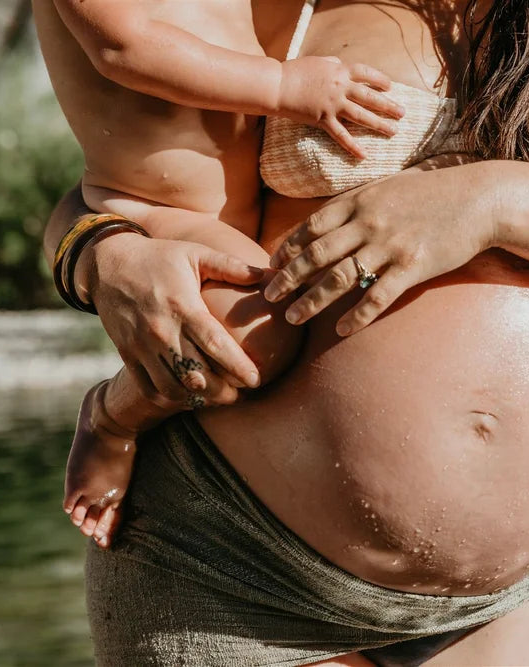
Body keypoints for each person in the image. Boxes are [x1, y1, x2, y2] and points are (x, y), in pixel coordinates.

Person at [41, 0, 529, 664]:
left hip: (522, 592)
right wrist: (100, 251)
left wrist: (488, 202)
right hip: (239, 570)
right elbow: (138, 179)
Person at [34, 0, 406, 540]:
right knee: (249, 330)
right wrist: (283, 87)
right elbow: (124, 45)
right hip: (151, 206)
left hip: (242, 206)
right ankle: (113, 417)